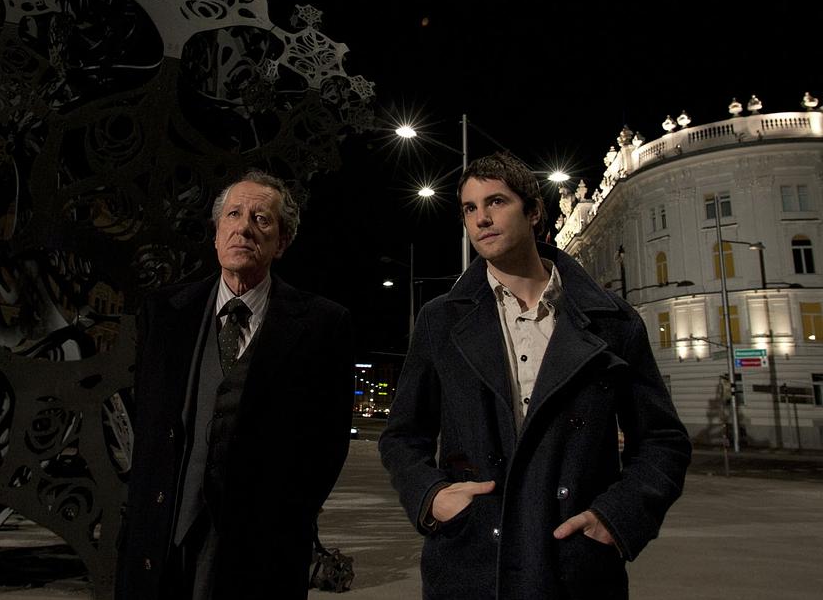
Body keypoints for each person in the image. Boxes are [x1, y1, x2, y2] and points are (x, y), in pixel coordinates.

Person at [379, 152, 691, 600]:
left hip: (574, 564)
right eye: (469, 208)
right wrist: (431, 496)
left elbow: (663, 440)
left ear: (534, 212)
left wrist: (617, 517)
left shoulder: (613, 321)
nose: (481, 219)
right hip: (470, 561)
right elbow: (402, 436)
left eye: (496, 202)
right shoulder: (440, 320)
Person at [117, 170, 354, 600]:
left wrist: (286, 519)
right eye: (233, 215)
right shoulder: (164, 314)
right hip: (163, 540)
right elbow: (148, 427)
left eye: (261, 219)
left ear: (281, 242)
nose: (243, 228)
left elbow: (328, 445)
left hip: (260, 552)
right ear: (216, 233)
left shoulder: (322, 325)